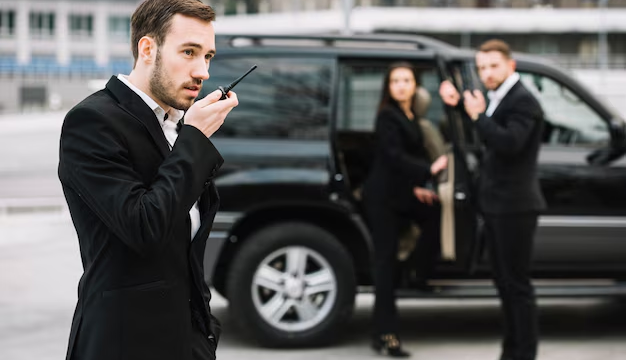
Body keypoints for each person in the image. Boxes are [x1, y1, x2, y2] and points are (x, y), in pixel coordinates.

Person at [57, 1, 238, 359]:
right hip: (123, 342)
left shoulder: (177, 127)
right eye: (189, 52)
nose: (202, 71)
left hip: (187, 341)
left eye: (208, 56)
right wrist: (195, 141)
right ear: (147, 48)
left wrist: (204, 332)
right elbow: (144, 226)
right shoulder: (93, 122)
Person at [439, 39, 546, 360]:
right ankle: (510, 352)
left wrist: (477, 116)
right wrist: (459, 104)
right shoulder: (501, 98)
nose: (486, 73)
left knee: (517, 288)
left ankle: (523, 353)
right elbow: (487, 126)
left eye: (493, 66)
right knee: (504, 286)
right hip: (498, 206)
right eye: (482, 67)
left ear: (510, 66)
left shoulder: (524, 101)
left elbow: (509, 143)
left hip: (516, 207)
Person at [362, 62, 448, 358]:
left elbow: (403, 161)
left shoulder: (410, 114)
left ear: (415, 85)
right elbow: (394, 157)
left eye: (406, 80)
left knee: (434, 214)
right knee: (384, 266)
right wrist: (430, 169)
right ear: (389, 86)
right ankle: (387, 335)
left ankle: (416, 271)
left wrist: (416, 187)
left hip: (402, 193)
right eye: (395, 81)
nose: (400, 85)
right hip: (382, 198)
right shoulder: (387, 115)